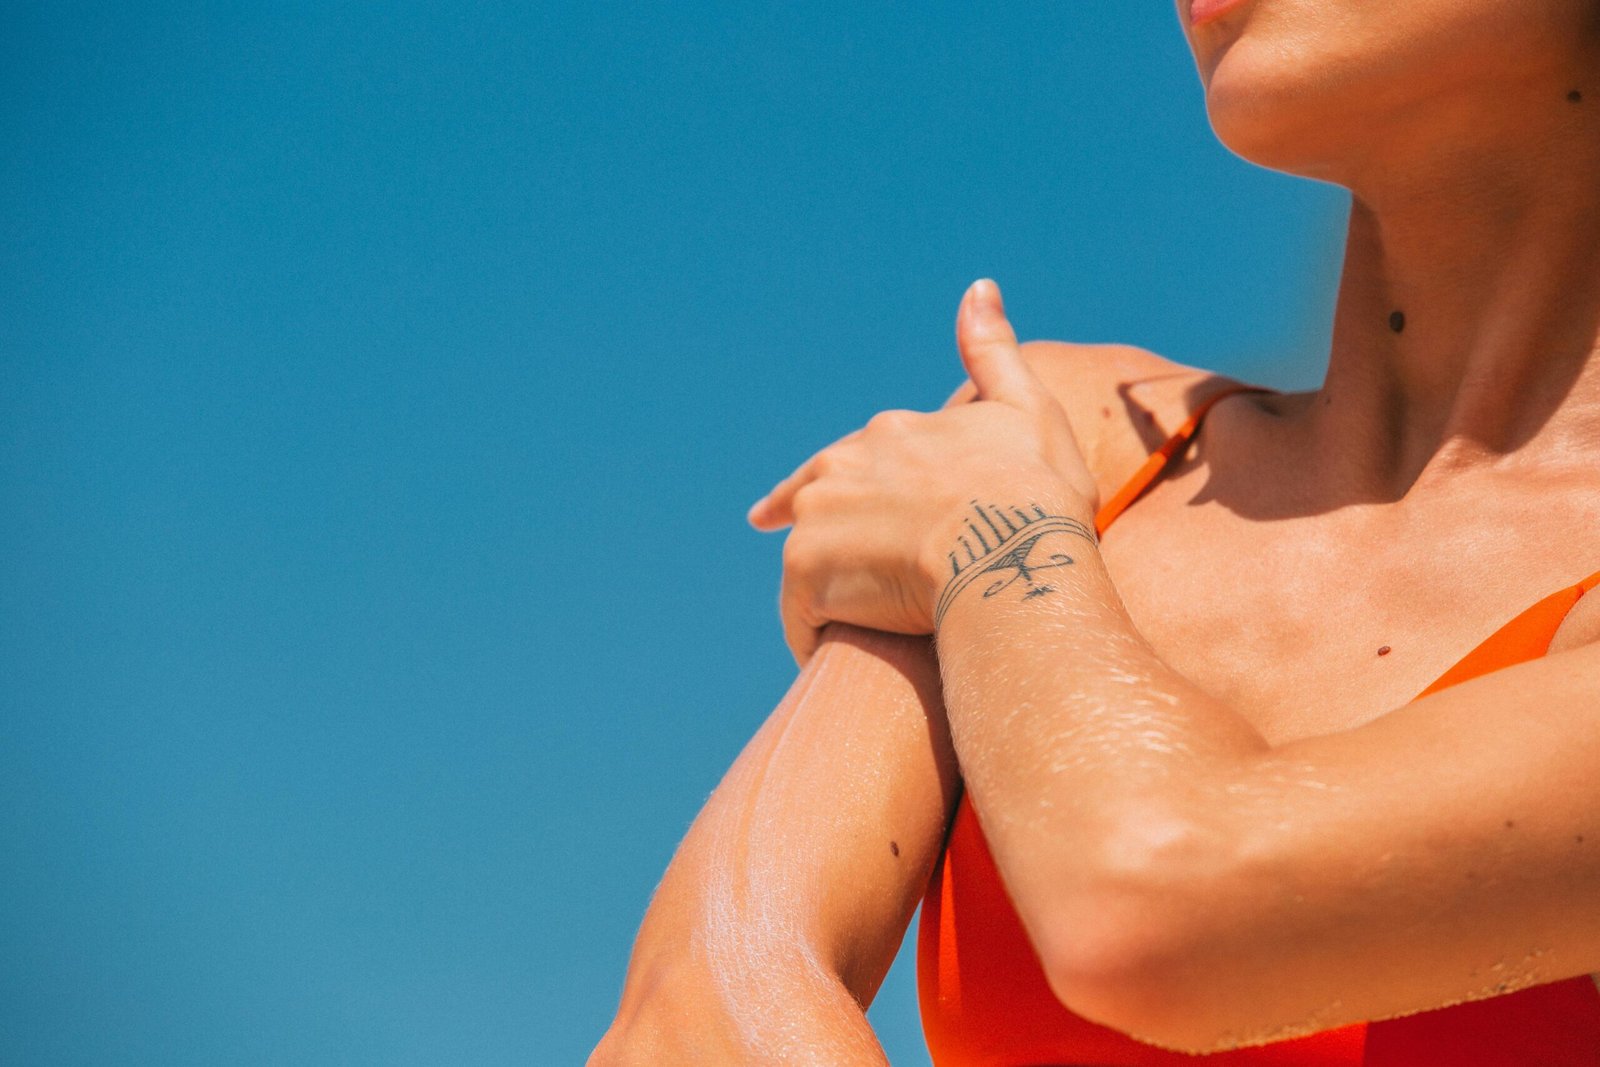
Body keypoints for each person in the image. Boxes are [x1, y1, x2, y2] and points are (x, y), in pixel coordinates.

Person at [591, 1, 1600, 1062]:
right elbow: (697, 1006)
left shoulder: (1012, 484)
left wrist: (993, 539)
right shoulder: (1068, 438)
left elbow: (1159, 910)